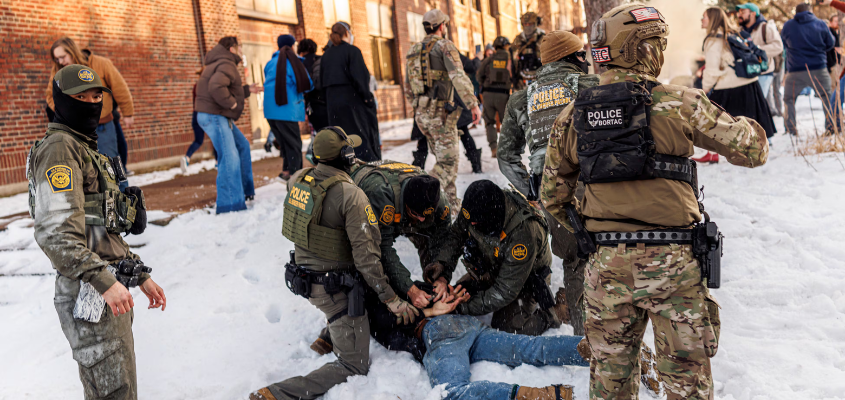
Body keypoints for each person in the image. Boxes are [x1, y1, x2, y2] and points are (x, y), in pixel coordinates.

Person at [542, 3, 768, 398]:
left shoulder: (573, 116)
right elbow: (753, 150)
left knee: (610, 383)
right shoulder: (679, 102)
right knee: (687, 384)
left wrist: (590, 229)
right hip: (674, 265)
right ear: (642, 49)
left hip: (606, 267)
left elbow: (552, 196)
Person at [28, 65, 166, 400]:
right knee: (114, 394)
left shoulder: (84, 147)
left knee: (120, 389)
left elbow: (100, 229)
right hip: (87, 289)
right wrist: (102, 280)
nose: (91, 104)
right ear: (61, 101)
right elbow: (56, 234)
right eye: (81, 97)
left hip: (105, 288)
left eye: (96, 97)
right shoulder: (60, 149)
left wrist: (137, 272)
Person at [249, 127, 417, 400]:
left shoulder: (298, 179)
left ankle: (329, 334)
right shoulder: (351, 196)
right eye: (351, 151)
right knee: (354, 364)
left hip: (304, 277)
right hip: (333, 290)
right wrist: (392, 299)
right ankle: (277, 394)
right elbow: (367, 260)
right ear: (347, 156)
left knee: (353, 283)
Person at [497, 30, 599, 336]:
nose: (585, 60)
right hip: (597, 185)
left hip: (554, 192)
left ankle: (586, 341)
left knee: (576, 263)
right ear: (571, 57)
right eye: (581, 55)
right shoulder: (592, 85)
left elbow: (506, 156)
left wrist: (534, 191)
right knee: (616, 257)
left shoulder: (521, 98)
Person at [308, 160, 454, 356]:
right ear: (406, 204)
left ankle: (429, 301)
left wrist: (441, 276)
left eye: (425, 216)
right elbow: (381, 249)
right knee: (359, 267)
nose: (421, 219)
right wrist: (409, 289)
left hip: (400, 209)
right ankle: (336, 325)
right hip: (358, 216)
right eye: (416, 214)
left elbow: (444, 239)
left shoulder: (438, 201)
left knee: (432, 256)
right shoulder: (380, 196)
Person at [365, 286, 590, 400]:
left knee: (451, 392)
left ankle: (538, 396)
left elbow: (388, 333)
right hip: (465, 324)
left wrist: (419, 339)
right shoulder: (410, 287)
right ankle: (595, 349)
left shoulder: (380, 309)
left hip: (439, 332)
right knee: (527, 347)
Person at [423, 180, 567, 336]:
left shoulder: (523, 232)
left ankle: (556, 313)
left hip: (523, 279)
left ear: (492, 218)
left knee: (508, 326)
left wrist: (461, 307)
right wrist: (442, 265)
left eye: (475, 223)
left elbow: (505, 291)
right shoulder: (475, 208)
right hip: (492, 268)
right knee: (454, 295)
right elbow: (456, 235)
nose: (471, 224)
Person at [404, 9, 481, 211]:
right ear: (441, 26)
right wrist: (473, 104)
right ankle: (416, 195)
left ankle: (450, 207)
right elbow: (458, 76)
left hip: (422, 115)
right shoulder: (444, 45)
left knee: (444, 159)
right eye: (445, 24)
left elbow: (407, 87)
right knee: (448, 163)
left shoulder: (413, 50)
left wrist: (419, 108)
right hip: (440, 115)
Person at [47, 37, 135, 186]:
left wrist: (128, 113)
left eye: (63, 57)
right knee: (86, 174)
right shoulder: (59, 72)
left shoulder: (101, 64)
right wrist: (65, 112)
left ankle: (124, 197)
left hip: (102, 126)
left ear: (72, 51)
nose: (60, 61)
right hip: (74, 131)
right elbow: (50, 95)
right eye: (57, 59)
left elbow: (120, 88)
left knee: (113, 169)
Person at [695, 7, 776, 164]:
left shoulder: (713, 40)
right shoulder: (732, 33)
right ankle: (756, 153)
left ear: (712, 19)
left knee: (714, 122)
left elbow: (711, 69)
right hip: (749, 83)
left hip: (728, 86)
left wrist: (705, 88)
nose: (702, 20)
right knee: (751, 122)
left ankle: (712, 154)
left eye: (704, 17)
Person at [195, 36, 263, 213]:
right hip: (215, 115)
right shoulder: (227, 63)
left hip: (215, 114)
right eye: (239, 47)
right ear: (232, 48)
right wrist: (232, 104)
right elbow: (216, 87)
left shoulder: (220, 62)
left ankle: (244, 192)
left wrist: (247, 90)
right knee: (229, 156)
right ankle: (230, 203)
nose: (241, 50)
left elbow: (226, 86)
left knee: (242, 146)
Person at [321, 22, 381, 161]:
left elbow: (322, 82)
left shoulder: (326, 55)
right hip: (352, 102)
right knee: (359, 139)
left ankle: (345, 166)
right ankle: (365, 167)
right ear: (347, 33)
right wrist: (368, 98)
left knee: (340, 140)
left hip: (332, 104)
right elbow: (360, 78)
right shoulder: (352, 51)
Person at [782, 3, 836, 136]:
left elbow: (784, 43)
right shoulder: (821, 24)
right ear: (810, 11)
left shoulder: (788, 25)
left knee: (789, 99)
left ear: (796, 12)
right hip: (819, 67)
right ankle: (831, 127)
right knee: (827, 98)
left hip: (795, 69)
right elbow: (830, 43)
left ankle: (790, 129)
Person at [264, 34, 312, 181]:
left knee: (285, 142)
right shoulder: (292, 61)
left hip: (270, 111)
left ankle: (286, 171)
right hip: (286, 109)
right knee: (294, 143)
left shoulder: (270, 63)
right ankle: (295, 176)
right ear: (291, 46)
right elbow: (306, 83)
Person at [736, 3, 784, 98]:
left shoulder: (766, 27)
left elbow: (778, 46)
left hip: (763, 73)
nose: (739, 15)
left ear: (753, 14)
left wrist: (757, 50)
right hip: (745, 73)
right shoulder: (738, 31)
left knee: (757, 101)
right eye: (739, 12)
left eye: (743, 12)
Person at [477, 36, 512, 158]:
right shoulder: (510, 59)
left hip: (488, 94)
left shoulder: (489, 59)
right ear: (506, 46)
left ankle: (494, 148)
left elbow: (479, 76)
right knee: (507, 123)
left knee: (489, 122)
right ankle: (507, 148)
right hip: (503, 95)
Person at [181, 66, 212, 174]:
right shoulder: (207, 86)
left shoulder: (196, 86)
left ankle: (187, 157)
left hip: (196, 115)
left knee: (198, 140)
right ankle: (218, 162)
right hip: (205, 114)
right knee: (216, 137)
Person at [298, 38, 329, 133]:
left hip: (312, 103)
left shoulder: (300, 63)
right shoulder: (322, 59)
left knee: (320, 132)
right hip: (327, 100)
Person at [511, 12, 546, 91]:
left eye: (530, 24)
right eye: (525, 24)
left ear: (535, 24)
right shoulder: (518, 39)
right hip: (522, 79)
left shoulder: (543, 38)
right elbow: (512, 58)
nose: (527, 26)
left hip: (540, 78)